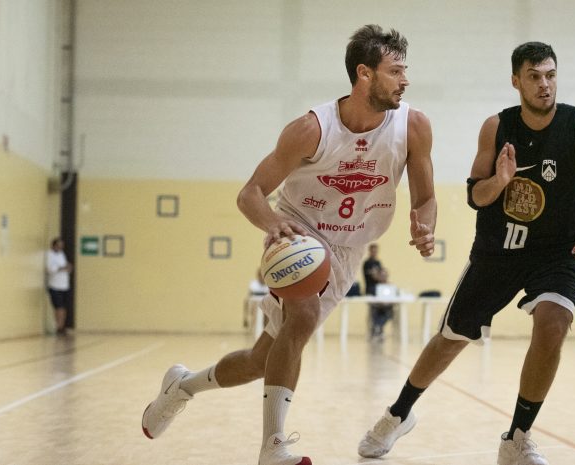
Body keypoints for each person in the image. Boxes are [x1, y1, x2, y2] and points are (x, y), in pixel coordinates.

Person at [141, 24, 436, 465]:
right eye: (395, 71)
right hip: (298, 233)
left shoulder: (412, 126)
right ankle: (273, 445)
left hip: (350, 249)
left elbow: (426, 198)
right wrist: (274, 223)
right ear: (364, 75)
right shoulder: (311, 129)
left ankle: (182, 385)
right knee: (304, 311)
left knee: (264, 358)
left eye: (405, 70)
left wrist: (424, 227)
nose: (405, 80)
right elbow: (250, 195)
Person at [358, 41, 575, 465]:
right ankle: (397, 414)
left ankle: (517, 436)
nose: (544, 85)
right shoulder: (497, 127)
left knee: (555, 324)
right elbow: (476, 196)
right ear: (516, 81)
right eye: (534, 76)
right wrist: (502, 180)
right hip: (499, 249)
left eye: (550, 75)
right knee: (451, 340)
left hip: (556, 254)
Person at [363, 243, 394, 339]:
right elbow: (376, 277)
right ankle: (375, 328)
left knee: (388, 309)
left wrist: (384, 279)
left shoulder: (378, 263)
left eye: (376, 250)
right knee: (375, 310)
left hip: (381, 291)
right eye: (373, 250)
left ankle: (379, 327)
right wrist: (381, 277)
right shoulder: (367, 263)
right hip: (371, 290)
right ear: (370, 251)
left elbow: (381, 276)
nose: (374, 252)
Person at [46, 237, 72, 336]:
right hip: (55, 285)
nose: (60, 248)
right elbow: (51, 269)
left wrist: (68, 267)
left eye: (61, 246)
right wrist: (62, 268)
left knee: (64, 307)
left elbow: (65, 267)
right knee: (59, 307)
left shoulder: (62, 254)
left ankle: (62, 326)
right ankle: (59, 327)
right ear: (53, 245)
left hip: (64, 285)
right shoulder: (49, 255)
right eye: (58, 246)